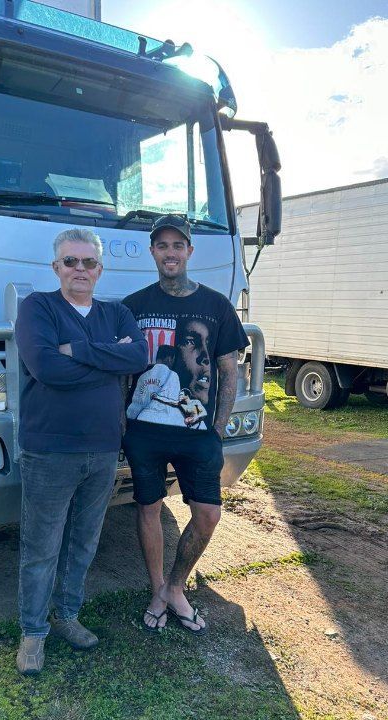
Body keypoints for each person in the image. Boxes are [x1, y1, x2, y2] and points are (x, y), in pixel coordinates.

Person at [14, 227, 148, 674]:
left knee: (84, 542)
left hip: (104, 449)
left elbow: (139, 358)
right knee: (42, 545)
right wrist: (109, 362)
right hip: (50, 452)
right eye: (71, 261)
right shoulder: (38, 308)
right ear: (56, 268)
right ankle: (33, 632)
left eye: (88, 262)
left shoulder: (117, 312)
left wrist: (82, 351)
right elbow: (46, 367)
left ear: (100, 269)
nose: (80, 269)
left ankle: (67, 616)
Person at [123, 214, 249, 634]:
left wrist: (217, 427)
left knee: (208, 513)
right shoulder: (134, 305)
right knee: (149, 508)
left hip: (198, 433)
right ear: (153, 252)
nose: (170, 252)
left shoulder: (215, 306)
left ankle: (177, 586)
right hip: (144, 431)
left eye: (178, 245)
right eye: (163, 246)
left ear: (189, 251)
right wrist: (124, 426)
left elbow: (229, 371)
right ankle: (158, 589)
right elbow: (124, 372)